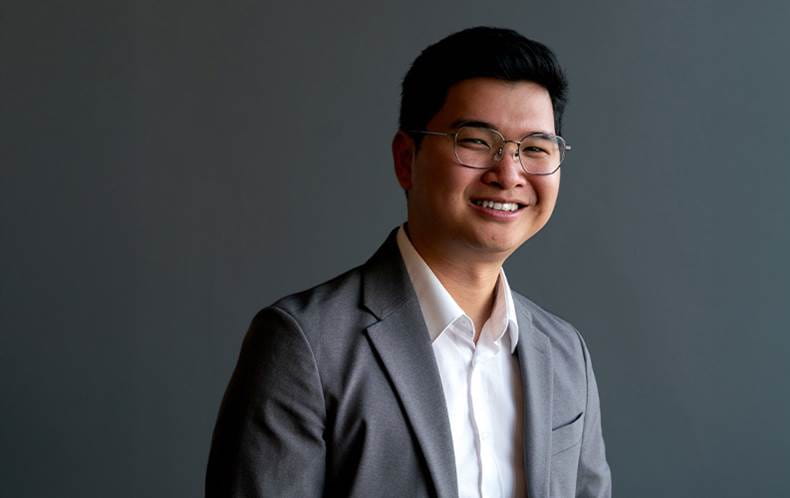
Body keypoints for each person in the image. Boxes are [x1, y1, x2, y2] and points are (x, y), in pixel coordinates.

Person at [206, 26, 611, 498]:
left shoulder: (565, 354)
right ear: (406, 159)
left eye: (535, 149)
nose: (508, 173)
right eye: (477, 141)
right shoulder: (307, 345)